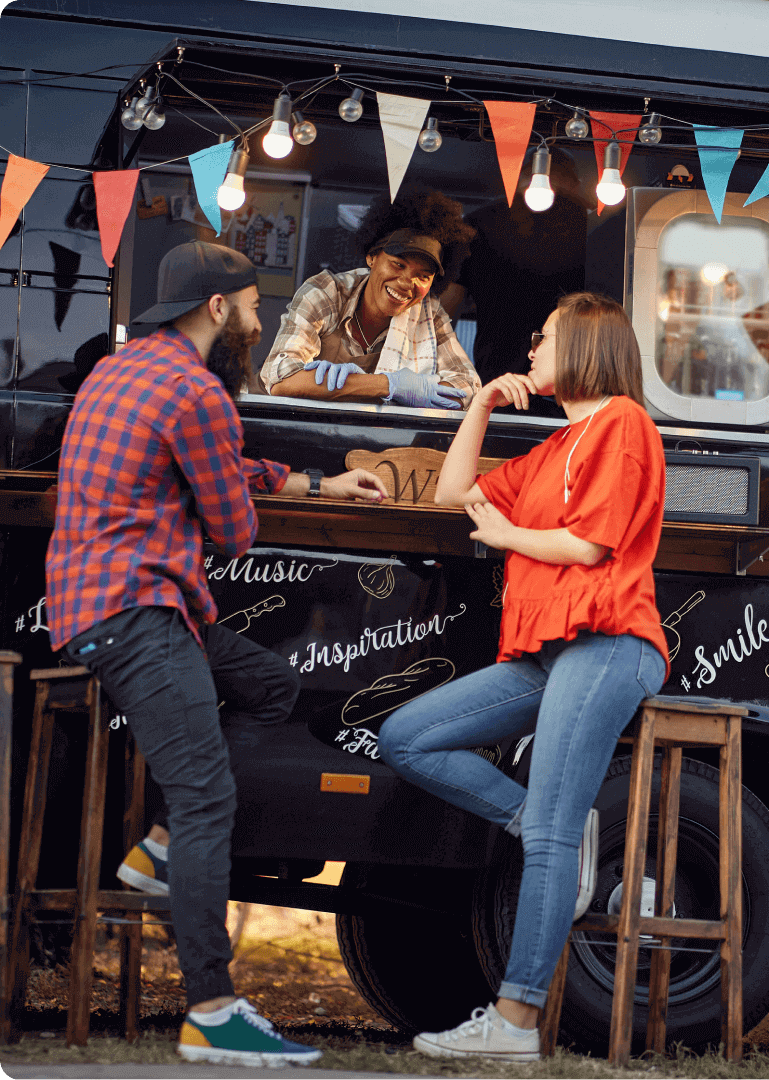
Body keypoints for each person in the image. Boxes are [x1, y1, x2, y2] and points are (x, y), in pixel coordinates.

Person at [45, 240, 388, 1068]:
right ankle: (212, 1011)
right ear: (217, 308)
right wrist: (250, 490)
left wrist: (317, 484)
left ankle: (160, 849)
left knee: (270, 683)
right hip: (138, 611)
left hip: (102, 605)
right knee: (208, 803)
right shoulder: (198, 392)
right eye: (252, 302)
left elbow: (215, 469)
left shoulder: (120, 370)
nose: (261, 317)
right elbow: (233, 530)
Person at [378, 292, 669, 1062]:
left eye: (543, 338)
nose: (531, 349)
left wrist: (509, 536)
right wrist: (477, 404)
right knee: (407, 736)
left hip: (607, 641)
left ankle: (514, 1023)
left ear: (583, 345)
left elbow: (593, 545)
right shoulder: (554, 444)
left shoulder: (623, 425)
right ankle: (553, 834)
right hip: (547, 651)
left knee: (548, 833)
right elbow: (452, 493)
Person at [260, 190, 481, 409]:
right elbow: (281, 379)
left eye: (423, 276)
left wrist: (419, 389)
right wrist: (389, 385)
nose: (406, 283)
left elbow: (468, 387)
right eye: (398, 264)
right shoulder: (326, 292)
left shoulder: (429, 313)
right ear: (372, 257)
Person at [440, 149, 588, 404]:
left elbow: (443, 314)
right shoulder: (593, 226)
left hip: (497, 381)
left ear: (519, 176)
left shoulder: (477, 223)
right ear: (572, 181)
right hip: (572, 387)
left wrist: (444, 376)